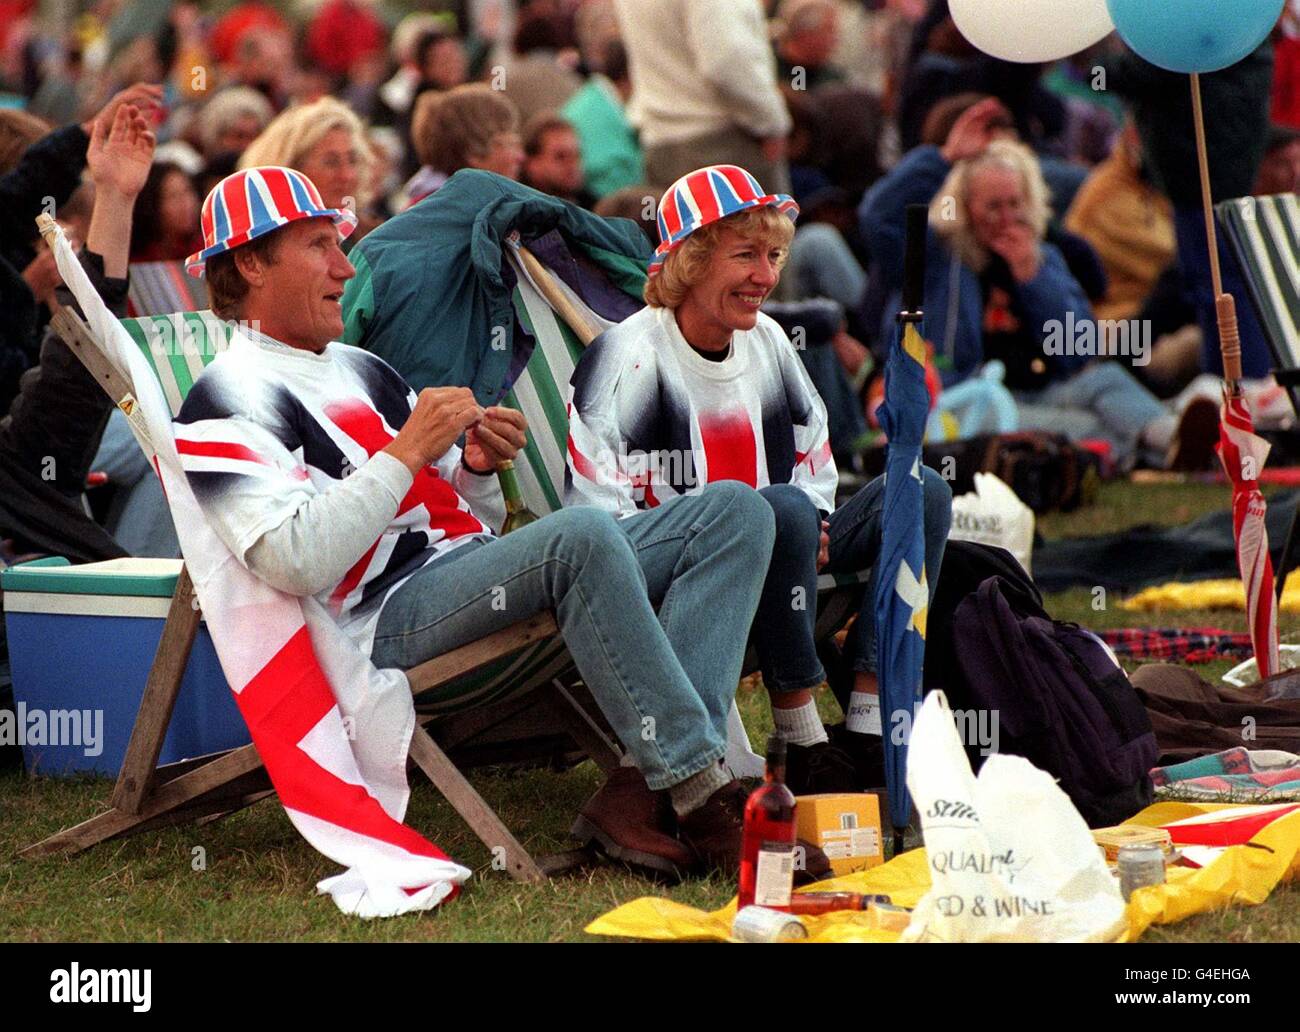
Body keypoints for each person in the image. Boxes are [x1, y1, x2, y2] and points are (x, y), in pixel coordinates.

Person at [175, 165, 781, 877]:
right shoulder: (222, 401)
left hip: (455, 580)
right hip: (381, 622)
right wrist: (404, 453)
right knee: (579, 537)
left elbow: (462, 521)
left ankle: (636, 791)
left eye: (339, 244)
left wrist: (477, 473)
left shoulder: (360, 370)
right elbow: (296, 562)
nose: (346, 266)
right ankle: (702, 794)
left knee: (738, 513)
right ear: (249, 263)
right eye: (319, 246)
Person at [565, 164, 953, 792]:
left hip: (794, 541)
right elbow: (595, 514)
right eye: (745, 255)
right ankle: (800, 733)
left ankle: (868, 719)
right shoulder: (626, 356)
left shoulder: (769, 339)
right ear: (689, 261)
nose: (766, 277)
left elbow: (814, 456)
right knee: (778, 508)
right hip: (685, 567)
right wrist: (781, 521)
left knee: (918, 489)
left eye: (773, 256)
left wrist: (821, 520)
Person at [860, 99, 1215, 471]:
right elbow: (877, 216)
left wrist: (1034, 279)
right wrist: (944, 157)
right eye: (992, 207)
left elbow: (1080, 348)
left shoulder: (1042, 255)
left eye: (1015, 204)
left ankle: (1176, 439)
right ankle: (1167, 450)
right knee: (1086, 427)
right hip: (970, 400)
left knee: (1106, 380)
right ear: (965, 207)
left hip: (1043, 387)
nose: (1007, 218)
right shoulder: (938, 256)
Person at [612, 0, 792, 192]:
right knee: (762, 222)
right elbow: (727, 62)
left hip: (662, 141)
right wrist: (771, 123)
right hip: (724, 143)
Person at [238, 96, 372, 224]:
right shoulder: (260, 242)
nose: (347, 175)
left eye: (352, 160)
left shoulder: (373, 242)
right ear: (291, 170)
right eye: (331, 163)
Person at [402, 84, 523, 206]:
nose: (520, 157)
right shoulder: (450, 213)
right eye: (508, 144)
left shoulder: (427, 204)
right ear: (473, 152)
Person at [520, 112, 591, 207]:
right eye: (561, 156)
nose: (573, 164)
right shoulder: (514, 210)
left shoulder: (596, 211)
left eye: (577, 155)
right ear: (532, 163)